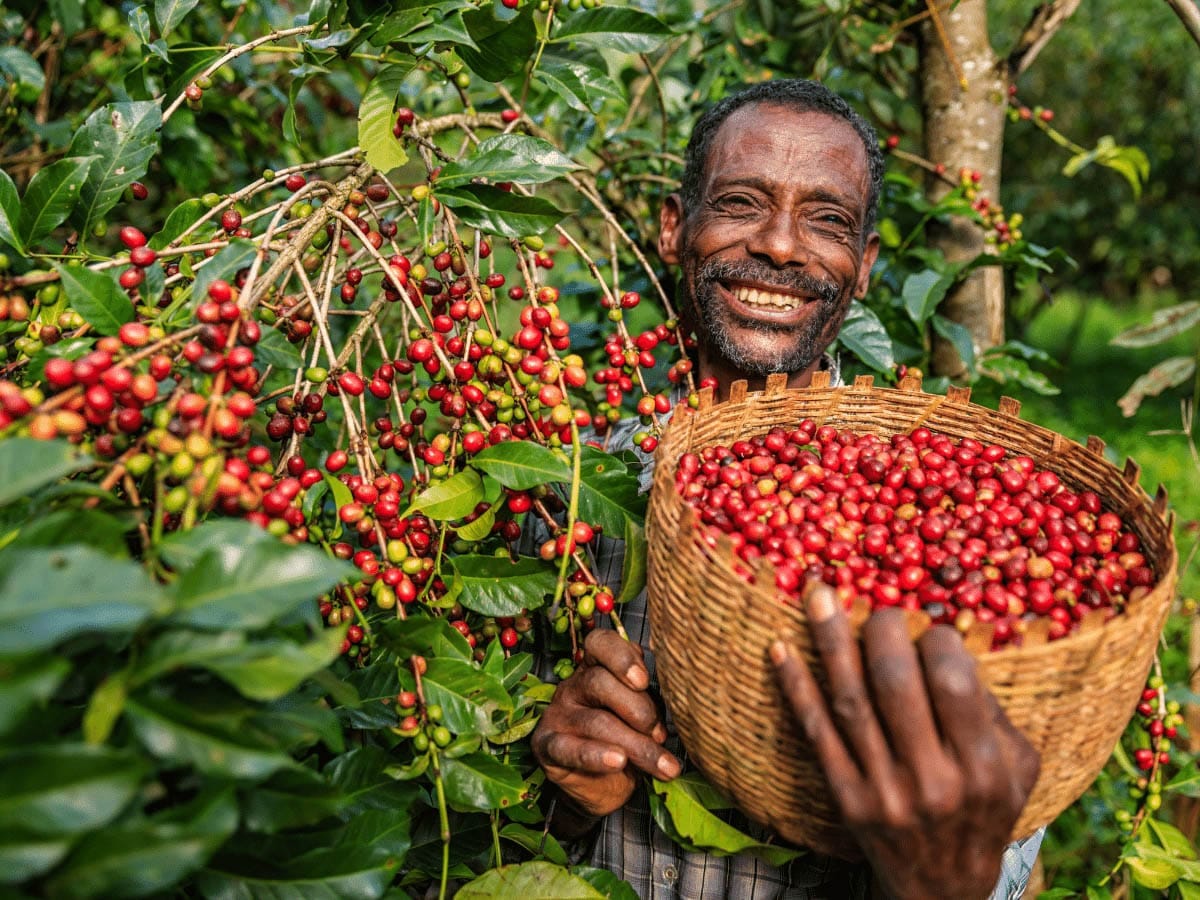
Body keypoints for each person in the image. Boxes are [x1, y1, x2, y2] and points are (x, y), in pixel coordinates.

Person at [531, 79, 1043, 899]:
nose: (779, 245)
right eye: (741, 202)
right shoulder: (568, 499)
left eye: (828, 220)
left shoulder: (945, 522)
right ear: (674, 228)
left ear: (866, 266)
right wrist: (563, 803)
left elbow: (1012, 852)